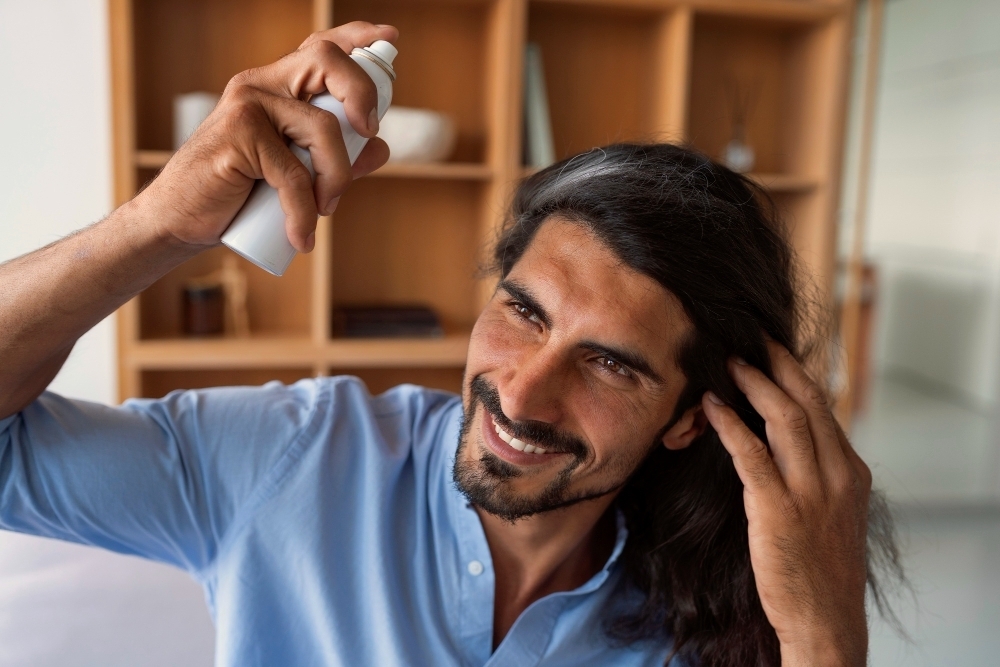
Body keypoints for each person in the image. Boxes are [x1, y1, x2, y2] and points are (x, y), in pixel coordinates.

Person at [0, 21, 899, 667]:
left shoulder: (717, 613)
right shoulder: (295, 454)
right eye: (525, 313)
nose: (523, 393)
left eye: (611, 362)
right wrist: (154, 227)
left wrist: (824, 641)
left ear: (688, 421)